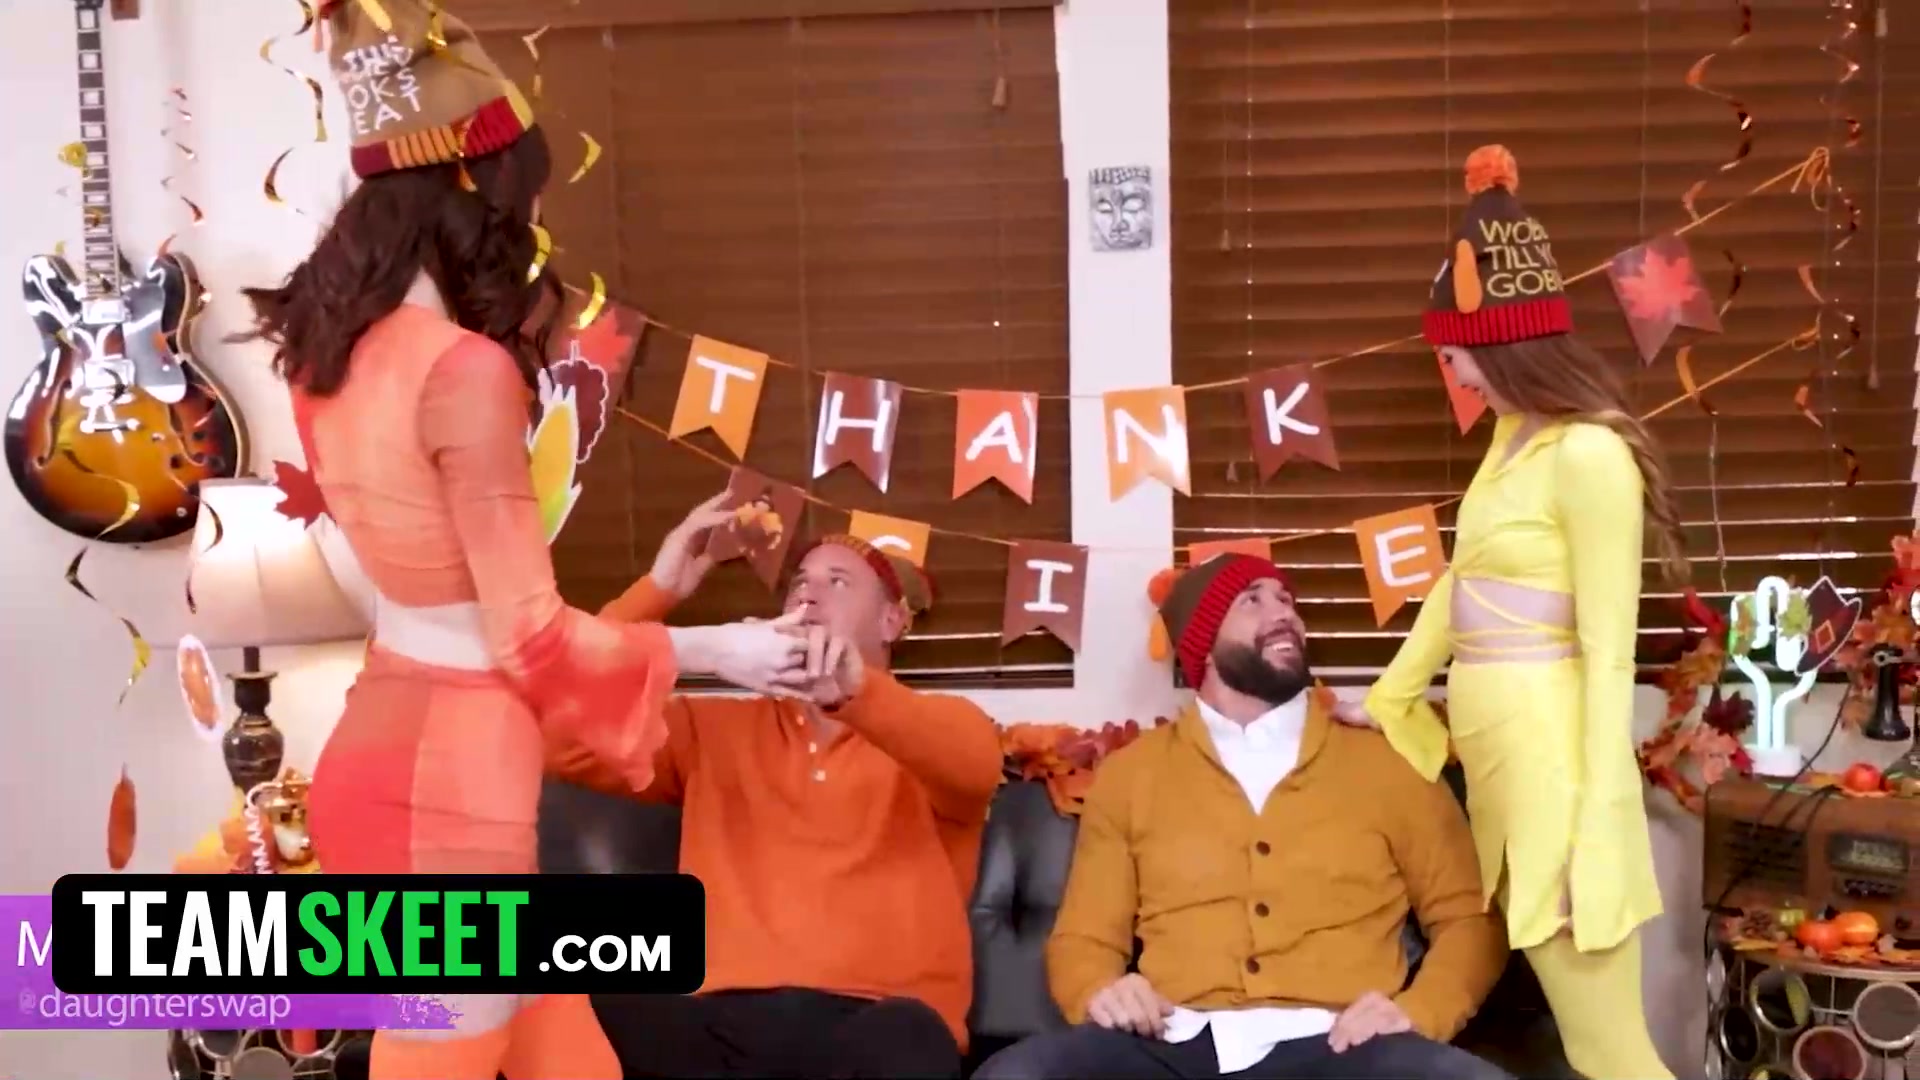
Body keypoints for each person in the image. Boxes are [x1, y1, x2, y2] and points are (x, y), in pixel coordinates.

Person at [233, 5, 810, 1077]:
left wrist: (656, 592)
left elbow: (453, 613)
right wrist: (724, 648)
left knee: (572, 1057)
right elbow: (529, 641)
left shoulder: (327, 359)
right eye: (528, 194)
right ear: (479, 194)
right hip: (450, 793)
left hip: (387, 749)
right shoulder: (463, 370)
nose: (535, 220)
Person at [1334, 145, 1687, 1080]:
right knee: (1586, 1048)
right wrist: (1390, 695)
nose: (1454, 373)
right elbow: (1462, 584)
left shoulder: (1589, 457)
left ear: (1505, 345)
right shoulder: (1505, 445)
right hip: (1506, 771)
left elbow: (1610, 654)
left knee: (1609, 1052)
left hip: (1559, 780)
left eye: (1457, 354)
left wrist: (1594, 826)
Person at [974, 553, 1512, 1080]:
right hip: (1173, 1039)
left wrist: (1419, 1011)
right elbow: (1084, 939)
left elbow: (1469, 918)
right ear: (1204, 645)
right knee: (1017, 1073)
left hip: (1344, 1043)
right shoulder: (1130, 775)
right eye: (1252, 601)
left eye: (1286, 600)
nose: (1283, 614)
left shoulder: (1389, 762)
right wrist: (1101, 990)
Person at [547, 495, 1006, 1079]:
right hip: (715, 1029)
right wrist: (658, 590)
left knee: (911, 1037)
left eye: (838, 582)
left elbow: (975, 766)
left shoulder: (937, 733)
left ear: (891, 622)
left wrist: (854, 692)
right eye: (799, 583)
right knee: (569, 997)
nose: (809, 594)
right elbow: (557, 734)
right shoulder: (708, 730)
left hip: (873, 1021)